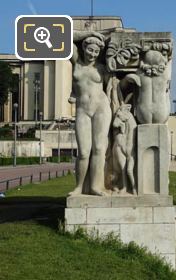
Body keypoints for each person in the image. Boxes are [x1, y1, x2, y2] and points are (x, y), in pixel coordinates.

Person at [69, 31, 111, 196]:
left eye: (96, 52)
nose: (93, 54)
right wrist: (91, 33)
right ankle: (79, 187)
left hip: (101, 108)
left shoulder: (101, 68)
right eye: (90, 50)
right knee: (84, 151)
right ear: (84, 47)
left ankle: (95, 186)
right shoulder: (76, 63)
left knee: (99, 149)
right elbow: (65, 38)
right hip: (83, 110)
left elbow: (114, 85)